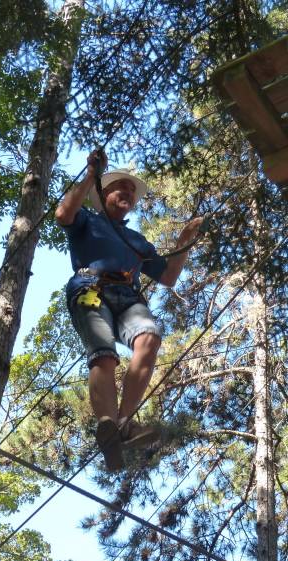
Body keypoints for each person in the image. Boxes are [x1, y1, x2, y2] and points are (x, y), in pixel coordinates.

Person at [55, 149, 203, 471]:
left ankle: (122, 424)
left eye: (132, 191)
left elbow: (168, 276)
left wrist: (184, 241)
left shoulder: (137, 240)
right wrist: (90, 176)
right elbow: (63, 213)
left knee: (149, 338)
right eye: (120, 187)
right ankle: (109, 422)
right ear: (103, 193)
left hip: (128, 294)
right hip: (90, 288)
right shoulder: (88, 220)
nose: (128, 193)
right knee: (104, 354)